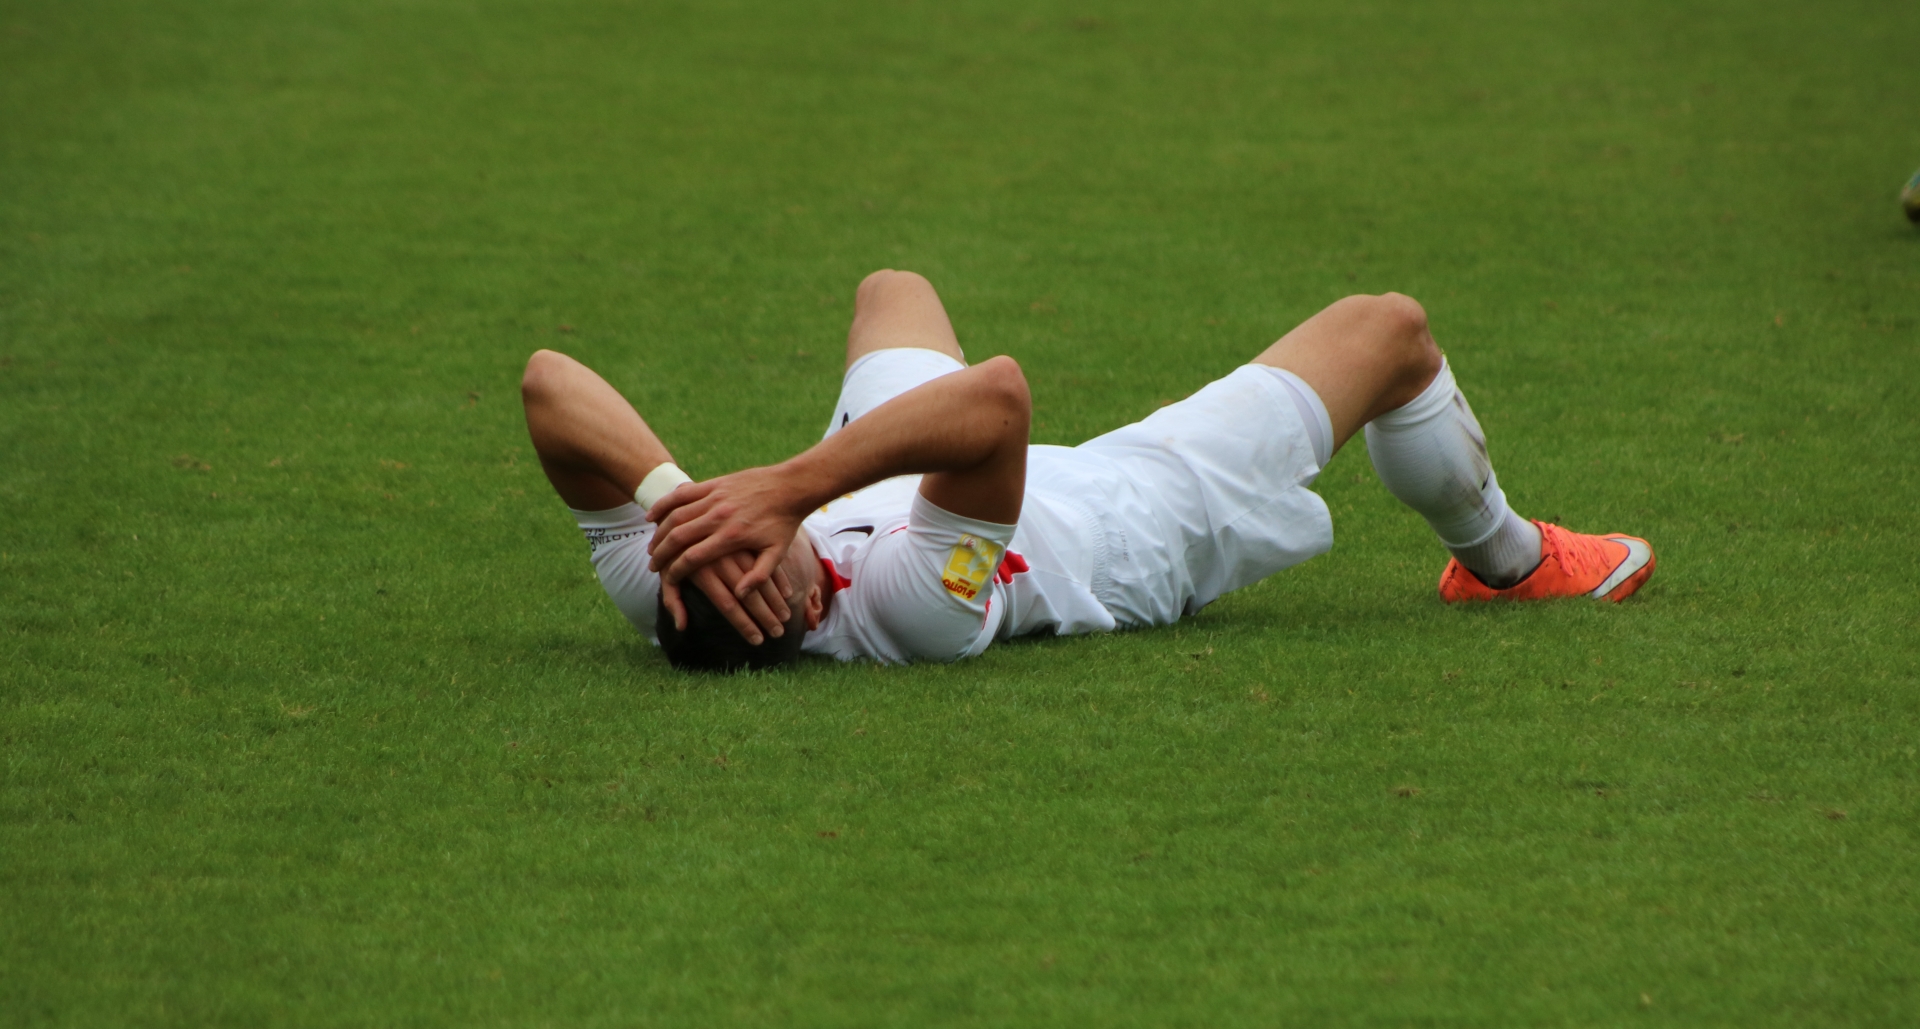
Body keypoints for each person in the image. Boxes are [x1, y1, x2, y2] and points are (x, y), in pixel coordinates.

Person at [519, 270, 1655, 671]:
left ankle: (1506, 559)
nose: (734, 527)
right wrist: (786, 491)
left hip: (891, 486)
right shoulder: (915, 614)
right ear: (806, 610)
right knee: (1389, 330)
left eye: (710, 536)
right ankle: (1509, 562)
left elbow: (547, 382)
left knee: (892, 290)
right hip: (1134, 521)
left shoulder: (667, 588)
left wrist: (670, 499)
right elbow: (999, 403)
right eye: (762, 555)